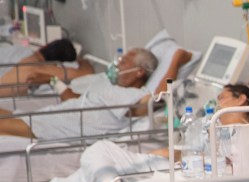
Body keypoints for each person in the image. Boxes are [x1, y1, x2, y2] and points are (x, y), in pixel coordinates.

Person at [0, 47, 191, 139]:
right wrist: (53, 81)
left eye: (123, 62)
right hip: (47, 117)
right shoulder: (112, 89)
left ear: (139, 72)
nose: (117, 65)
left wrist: (176, 59)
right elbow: (75, 99)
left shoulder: (131, 96)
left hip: (50, 128)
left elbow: (156, 100)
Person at [0, 38, 93, 96]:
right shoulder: (40, 69)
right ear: (57, 63)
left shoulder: (29, 60)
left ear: (45, 46)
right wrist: (81, 60)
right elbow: (86, 73)